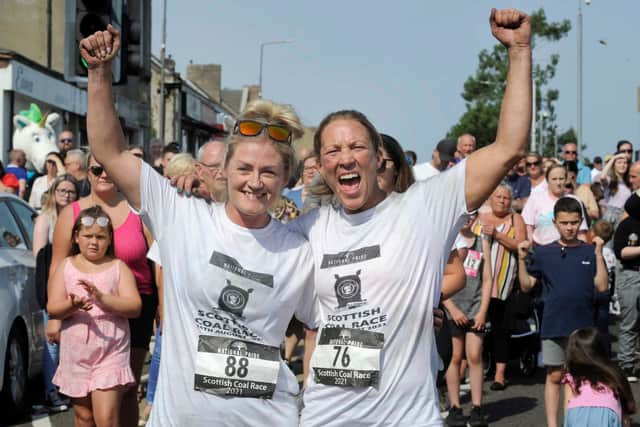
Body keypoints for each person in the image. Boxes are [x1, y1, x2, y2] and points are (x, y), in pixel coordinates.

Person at [292, 9, 532, 426]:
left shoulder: (424, 208)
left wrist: (520, 51)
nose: (345, 157)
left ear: (377, 157)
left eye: (356, 147)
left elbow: (509, 146)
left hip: (407, 418)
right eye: (332, 150)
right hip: (326, 416)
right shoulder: (308, 229)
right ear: (322, 165)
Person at [81, 25, 318, 427]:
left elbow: (336, 321)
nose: (255, 182)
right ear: (224, 169)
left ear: (285, 179)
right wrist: (99, 73)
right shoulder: (181, 216)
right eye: (244, 168)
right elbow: (110, 150)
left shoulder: (298, 247)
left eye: (269, 172)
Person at [48, 155, 157, 427]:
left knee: (125, 390)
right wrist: (54, 315)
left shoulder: (138, 210)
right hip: (80, 310)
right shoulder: (71, 213)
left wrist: (165, 307)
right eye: (97, 169)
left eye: (109, 168)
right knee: (87, 407)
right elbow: (57, 264)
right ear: (88, 173)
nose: (104, 174)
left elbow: (159, 261)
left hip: (135, 305)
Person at [47, 206, 141, 427]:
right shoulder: (66, 266)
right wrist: (72, 305)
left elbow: (134, 306)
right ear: (76, 237)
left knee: (106, 419)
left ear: (110, 239)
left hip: (111, 350)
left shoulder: (118, 267)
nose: (94, 242)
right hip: (76, 352)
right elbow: (53, 307)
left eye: (100, 237)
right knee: (84, 417)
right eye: (88, 236)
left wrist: (102, 299)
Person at [518, 197, 608, 427]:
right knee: (554, 376)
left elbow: (601, 286)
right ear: (555, 223)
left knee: (580, 378)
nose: (570, 227)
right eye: (565, 222)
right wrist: (520, 259)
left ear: (581, 222)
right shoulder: (544, 253)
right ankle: (552, 424)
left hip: (584, 327)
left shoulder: (590, 251)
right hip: (554, 323)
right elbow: (527, 285)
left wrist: (598, 253)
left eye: (574, 222)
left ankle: (574, 421)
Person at [33, 174, 80, 412]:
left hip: (76, 283)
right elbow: (40, 258)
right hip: (52, 285)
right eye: (62, 190)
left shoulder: (79, 217)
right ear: (53, 193)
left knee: (73, 339)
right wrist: (47, 295)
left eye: (71, 191)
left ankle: (67, 388)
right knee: (53, 342)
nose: (66, 195)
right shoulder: (45, 219)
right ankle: (51, 392)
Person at [443, 214, 492, 427]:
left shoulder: (483, 242)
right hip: (453, 308)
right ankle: (455, 406)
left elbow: (487, 278)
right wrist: (451, 309)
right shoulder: (447, 242)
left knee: (474, 355)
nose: (467, 219)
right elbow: (438, 278)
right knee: (454, 356)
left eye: (472, 215)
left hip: (475, 306)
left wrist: (482, 311)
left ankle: (477, 406)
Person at [479, 184, 526, 391]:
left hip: (504, 283)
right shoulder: (479, 217)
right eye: (497, 196)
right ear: (490, 198)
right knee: (475, 327)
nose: (501, 200)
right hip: (478, 283)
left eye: (506, 198)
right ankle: (473, 368)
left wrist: (498, 235)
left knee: (501, 329)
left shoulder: (516, 219)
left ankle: (500, 374)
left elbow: (522, 246)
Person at [563, 327, 636, 427]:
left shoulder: (572, 377)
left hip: (576, 414)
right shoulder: (613, 373)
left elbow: (567, 408)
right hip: (607, 414)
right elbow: (625, 414)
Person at [522, 164, 588, 245]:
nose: (558, 183)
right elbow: (528, 226)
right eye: (554, 179)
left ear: (566, 180)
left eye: (561, 179)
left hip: (569, 249)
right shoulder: (535, 198)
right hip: (541, 249)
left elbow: (581, 232)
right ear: (547, 180)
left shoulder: (575, 200)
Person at [612, 193, 640, 383]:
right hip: (632, 274)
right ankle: (626, 364)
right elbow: (621, 251)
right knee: (630, 322)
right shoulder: (627, 224)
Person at [594, 153, 631, 226]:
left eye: (625, 163)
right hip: (611, 215)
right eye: (619, 162)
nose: (622, 165)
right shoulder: (609, 180)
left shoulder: (629, 182)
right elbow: (602, 177)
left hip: (625, 215)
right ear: (614, 165)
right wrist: (614, 158)